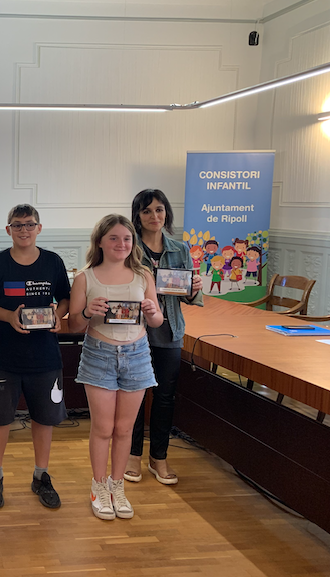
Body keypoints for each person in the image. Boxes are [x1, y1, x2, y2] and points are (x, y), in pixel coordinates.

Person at [68, 214, 164, 521]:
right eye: (113, 238)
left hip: (137, 355)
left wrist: (152, 311)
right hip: (99, 355)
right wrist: (87, 312)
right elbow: (73, 325)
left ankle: (117, 485)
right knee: (103, 428)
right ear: (100, 241)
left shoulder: (143, 275)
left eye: (127, 238)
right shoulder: (85, 278)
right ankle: (98, 487)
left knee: (125, 429)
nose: (121, 244)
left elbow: (157, 321)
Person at [0, 204, 70, 510]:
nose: (24, 230)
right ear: (8, 230)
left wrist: (58, 315)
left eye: (29, 224)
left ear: (39, 228)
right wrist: (9, 316)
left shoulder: (53, 262)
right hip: (4, 356)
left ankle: (41, 475)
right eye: (17, 225)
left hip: (45, 357)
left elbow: (65, 298)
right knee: (0, 419)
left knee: (44, 419)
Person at [125, 190, 203, 485]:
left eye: (159, 210)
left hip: (170, 332)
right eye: (147, 211)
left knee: (165, 397)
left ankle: (159, 457)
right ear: (137, 216)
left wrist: (193, 288)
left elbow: (187, 296)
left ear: (166, 213)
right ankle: (132, 455)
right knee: (134, 395)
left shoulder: (180, 249)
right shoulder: (129, 247)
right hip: (135, 332)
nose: (154, 216)